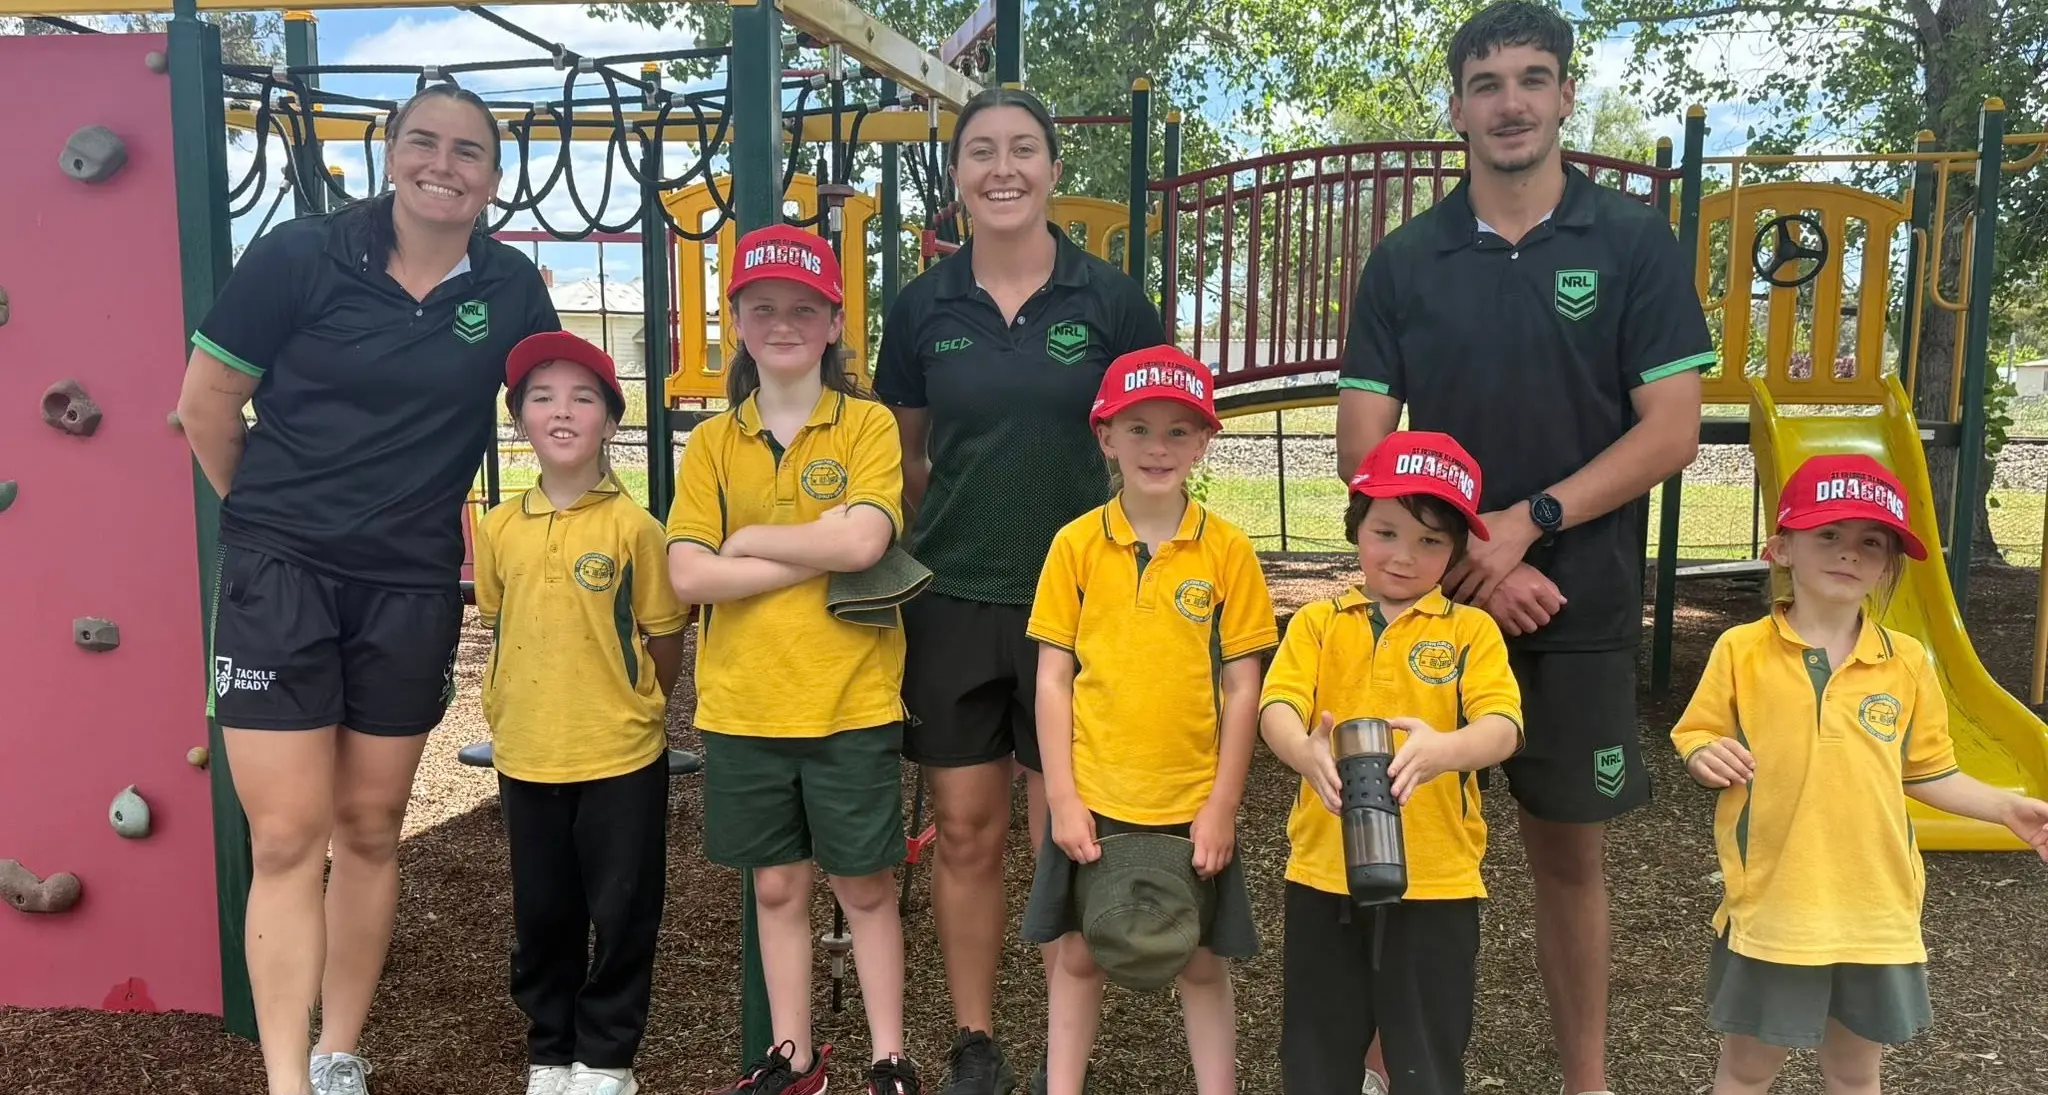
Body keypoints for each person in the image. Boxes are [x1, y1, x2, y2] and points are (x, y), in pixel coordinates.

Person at [1331, 4, 1713, 1092]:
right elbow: (1364, 448)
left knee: (1567, 857)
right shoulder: (1406, 258)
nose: (1509, 102)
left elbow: (1669, 431)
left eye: (1531, 79)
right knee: (1393, 849)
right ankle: (1379, 1065)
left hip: (1576, 605)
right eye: (1486, 82)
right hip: (1427, 609)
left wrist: (1523, 527)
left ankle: (1582, 1079)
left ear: (1562, 98)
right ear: (1454, 106)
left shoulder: (1632, 240)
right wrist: (1467, 569)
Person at [174, 82, 561, 1095]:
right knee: (291, 832)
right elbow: (207, 405)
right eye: (425, 142)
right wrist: (270, 523)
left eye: (469, 150)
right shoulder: (302, 255)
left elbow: (559, 405)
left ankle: (339, 1051)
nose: (445, 164)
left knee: (372, 826)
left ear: (493, 175)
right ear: (392, 153)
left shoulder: (511, 287)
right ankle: (285, 1078)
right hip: (281, 578)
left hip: (410, 585)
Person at [872, 85, 1168, 1094]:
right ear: (955, 176)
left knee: (1060, 834)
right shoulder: (920, 308)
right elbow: (905, 463)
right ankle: (974, 1041)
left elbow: (1153, 447)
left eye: (1022, 150)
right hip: (951, 600)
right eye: (980, 151)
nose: (1002, 167)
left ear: (1050, 169)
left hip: (1078, 608)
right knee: (963, 830)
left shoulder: (1112, 302)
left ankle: (1060, 1052)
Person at [1670, 454, 2048, 1095]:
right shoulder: (1740, 649)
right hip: (1774, 903)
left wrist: (2006, 809)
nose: (1849, 554)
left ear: (1888, 566)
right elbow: (1698, 734)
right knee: (1746, 1069)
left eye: (1871, 543)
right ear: (1780, 547)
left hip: (1876, 907)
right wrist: (1705, 755)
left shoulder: (1908, 661)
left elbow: (1926, 772)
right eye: (1828, 535)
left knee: (1853, 1072)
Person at [666, 224, 921, 1095]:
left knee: (865, 884)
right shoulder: (710, 442)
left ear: (833, 323)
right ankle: (794, 1053)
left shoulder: (867, 424)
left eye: (804, 308)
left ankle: (888, 1052)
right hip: (744, 704)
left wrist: (751, 541)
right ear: (736, 318)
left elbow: (867, 539)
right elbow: (687, 569)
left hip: (849, 697)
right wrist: (811, 545)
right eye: (763, 306)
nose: (783, 323)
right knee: (776, 887)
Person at [1019, 346, 1274, 1095]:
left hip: (1190, 798)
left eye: (1177, 431)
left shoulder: (1227, 550)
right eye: (1138, 428)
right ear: (1105, 436)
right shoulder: (1074, 546)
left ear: (1205, 441)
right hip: (1096, 794)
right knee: (1079, 953)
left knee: (1200, 959)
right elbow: (1052, 678)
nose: (1157, 447)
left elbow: (1242, 686)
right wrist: (1062, 796)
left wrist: (1223, 804)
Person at [1260, 431, 1523, 1095]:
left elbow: (1503, 726)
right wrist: (1303, 749)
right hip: (1322, 873)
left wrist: (1444, 749)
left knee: (1426, 1057)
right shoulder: (1319, 622)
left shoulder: (1470, 630)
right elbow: (1276, 709)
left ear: (1457, 551)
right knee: (1316, 1053)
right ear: (1356, 525)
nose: (1404, 556)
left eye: (1431, 541)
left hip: (1437, 881)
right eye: (1386, 531)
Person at [471, 332, 686, 1095]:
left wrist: (638, 705)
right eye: (542, 396)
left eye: (582, 396)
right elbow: (498, 622)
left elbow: (664, 637)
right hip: (528, 749)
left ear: (611, 420)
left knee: (623, 911)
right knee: (543, 912)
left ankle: (605, 1058)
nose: (561, 411)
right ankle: (550, 1052)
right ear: (519, 418)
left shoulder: (636, 529)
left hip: (620, 752)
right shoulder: (498, 528)